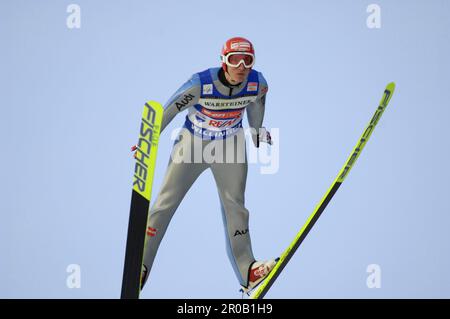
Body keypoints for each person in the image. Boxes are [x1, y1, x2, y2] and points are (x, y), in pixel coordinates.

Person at [138, 37, 277, 293]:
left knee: (235, 206)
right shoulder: (200, 84)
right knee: (165, 203)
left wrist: (257, 131)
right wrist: (149, 139)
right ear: (223, 61)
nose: (242, 66)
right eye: (235, 59)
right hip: (193, 144)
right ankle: (141, 265)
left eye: (248, 60)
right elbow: (169, 109)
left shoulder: (258, 83)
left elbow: (257, 106)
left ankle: (248, 271)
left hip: (230, 144)